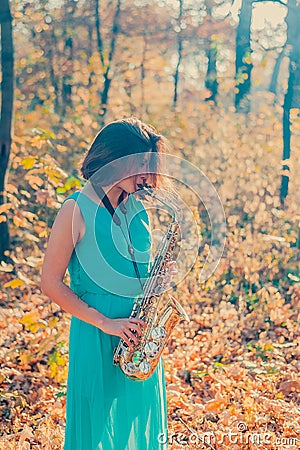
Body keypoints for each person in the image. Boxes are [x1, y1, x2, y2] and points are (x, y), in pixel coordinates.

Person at [41, 117, 174, 449]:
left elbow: (137, 273)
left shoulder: (136, 207)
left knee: (139, 422)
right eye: (140, 166)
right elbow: (50, 283)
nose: (146, 177)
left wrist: (159, 279)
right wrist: (105, 323)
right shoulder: (75, 208)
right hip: (97, 331)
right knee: (96, 428)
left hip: (139, 334)